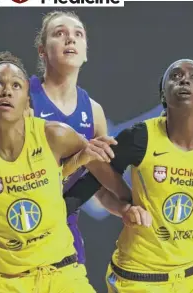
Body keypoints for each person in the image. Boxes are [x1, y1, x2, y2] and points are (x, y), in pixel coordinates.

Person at [64, 59, 193, 292]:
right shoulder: (140, 137)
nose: (184, 79)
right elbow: (92, 183)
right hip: (137, 278)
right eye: (175, 76)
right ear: (164, 94)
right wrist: (54, 213)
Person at [0, 51, 117, 293]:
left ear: (27, 99)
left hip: (60, 272)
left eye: (16, 85)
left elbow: (94, 161)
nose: (6, 91)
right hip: (1, 279)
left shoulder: (54, 135)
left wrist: (128, 203)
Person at [30, 10, 130, 266]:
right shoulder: (23, 99)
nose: (70, 39)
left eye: (77, 34)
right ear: (42, 50)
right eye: (59, 33)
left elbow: (99, 187)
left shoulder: (94, 111)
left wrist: (125, 210)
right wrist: (81, 157)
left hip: (65, 226)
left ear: (85, 53)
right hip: (22, 221)